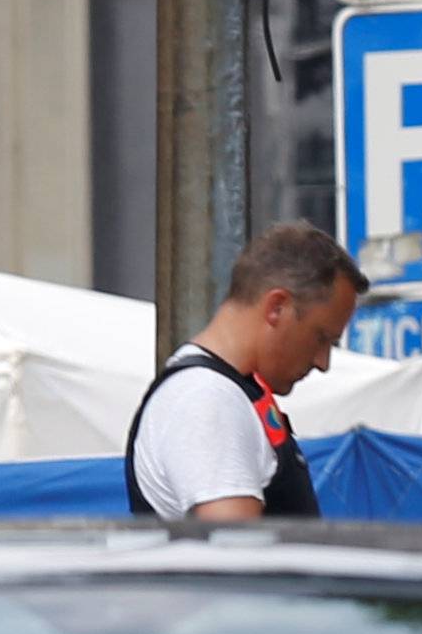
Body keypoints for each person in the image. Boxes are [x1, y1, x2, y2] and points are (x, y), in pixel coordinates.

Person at [126, 222, 367, 521]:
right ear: (277, 307)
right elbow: (236, 557)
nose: (323, 362)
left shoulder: (227, 393)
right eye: (321, 338)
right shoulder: (207, 399)